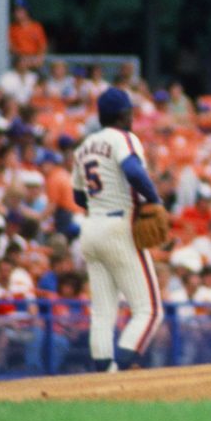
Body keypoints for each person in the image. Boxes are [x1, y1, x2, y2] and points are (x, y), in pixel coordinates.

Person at [71, 87, 165, 371]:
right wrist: (156, 200)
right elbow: (134, 171)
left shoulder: (83, 147)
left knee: (102, 312)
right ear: (124, 114)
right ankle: (121, 368)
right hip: (119, 225)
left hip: (91, 229)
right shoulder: (124, 138)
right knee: (149, 311)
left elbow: (78, 197)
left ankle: (104, 376)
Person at [8, 0, 48, 65]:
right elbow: (10, 46)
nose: (17, 13)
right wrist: (21, 56)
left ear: (26, 11)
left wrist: (39, 58)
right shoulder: (12, 28)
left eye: (20, 10)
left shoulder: (36, 27)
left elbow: (42, 46)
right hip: (18, 60)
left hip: (34, 60)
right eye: (15, 11)